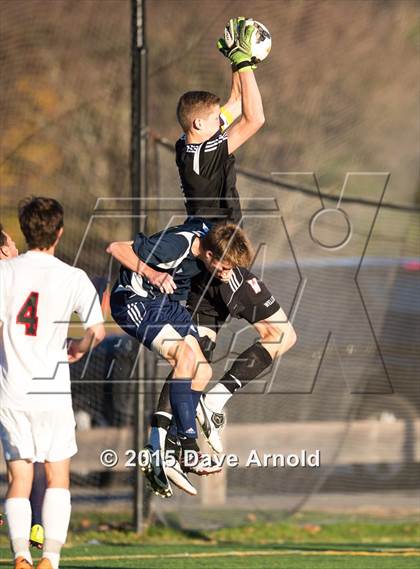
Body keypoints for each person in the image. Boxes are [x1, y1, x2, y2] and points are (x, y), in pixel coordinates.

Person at [152, 16, 296, 463]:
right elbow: (255, 115)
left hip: (206, 255)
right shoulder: (207, 151)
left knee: (198, 355)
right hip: (220, 259)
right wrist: (242, 60)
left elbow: (235, 102)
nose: (223, 120)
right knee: (281, 335)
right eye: (216, 119)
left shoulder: (190, 142)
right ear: (201, 125)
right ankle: (213, 405)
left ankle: (165, 444)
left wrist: (241, 61)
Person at [108, 219, 253, 496]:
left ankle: (165, 449)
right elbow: (117, 248)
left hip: (167, 304)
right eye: (224, 268)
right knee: (183, 358)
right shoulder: (176, 245)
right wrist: (152, 274)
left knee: (203, 371)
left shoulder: (211, 237)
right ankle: (189, 447)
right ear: (210, 255)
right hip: (135, 301)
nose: (225, 275)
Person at [0, 198, 105, 569]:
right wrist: (78, 346)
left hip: (12, 391)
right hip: (52, 393)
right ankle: (51, 558)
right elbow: (97, 331)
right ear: (59, 232)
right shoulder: (73, 277)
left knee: (20, 476)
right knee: (57, 475)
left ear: (25, 229)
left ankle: (20, 555)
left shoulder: (5, 273)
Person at [0, 224, 46, 551]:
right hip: (20, 381)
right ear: (3, 251)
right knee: (33, 463)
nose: (16, 248)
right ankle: (37, 526)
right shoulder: (19, 277)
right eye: (12, 244)